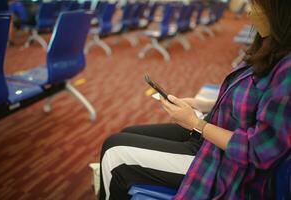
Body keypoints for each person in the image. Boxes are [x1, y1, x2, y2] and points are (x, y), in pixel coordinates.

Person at [99, 0, 291, 199]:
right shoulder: (269, 46)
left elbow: (257, 150)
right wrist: (202, 104)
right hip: (212, 135)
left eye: (257, 5)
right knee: (126, 133)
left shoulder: (287, 70)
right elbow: (252, 100)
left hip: (225, 164)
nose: (250, 12)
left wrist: (196, 124)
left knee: (115, 151)